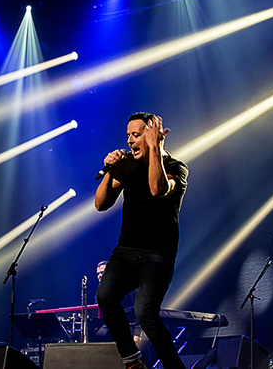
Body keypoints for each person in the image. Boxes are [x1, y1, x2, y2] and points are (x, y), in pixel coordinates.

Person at [95, 112, 189, 369]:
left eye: (136, 135)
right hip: (125, 251)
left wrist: (155, 148)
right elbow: (101, 204)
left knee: (145, 313)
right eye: (128, 136)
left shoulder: (176, 168)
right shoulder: (127, 165)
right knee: (105, 296)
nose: (129, 141)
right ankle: (132, 360)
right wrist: (111, 170)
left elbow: (158, 189)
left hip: (157, 255)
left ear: (152, 136)